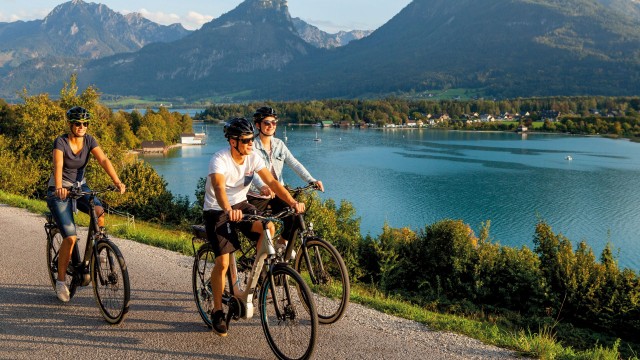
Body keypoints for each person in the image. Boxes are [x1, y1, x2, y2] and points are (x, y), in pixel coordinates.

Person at [203, 117, 305, 336]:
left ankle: (254, 277)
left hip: (241, 204)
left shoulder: (252, 156)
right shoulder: (219, 160)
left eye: (251, 139)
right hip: (217, 210)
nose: (251, 143)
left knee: (269, 227)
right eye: (247, 140)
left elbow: (273, 183)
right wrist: (228, 209)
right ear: (233, 142)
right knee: (222, 263)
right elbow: (219, 188)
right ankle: (218, 310)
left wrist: (292, 202)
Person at [46, 106, 126, 302]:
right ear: (70, 124)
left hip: (80, 187)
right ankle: (61, 281)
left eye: (85, 123)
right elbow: (58, 165)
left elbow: (104, 159)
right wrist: (59, 187)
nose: (82, 127)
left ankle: (100, 248)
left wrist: (117, 181)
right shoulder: (61, 142)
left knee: (99, 211)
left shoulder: (89, 140)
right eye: (78, 123)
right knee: (70, 237)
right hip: (60, 191)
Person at [248, 106, 324, 252]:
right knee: (263, 229)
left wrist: (311, 180)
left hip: (278, 191)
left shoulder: (279, 145)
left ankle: (282, 244)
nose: (271, 126)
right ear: (258, 125)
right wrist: (262, 187)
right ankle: (261, 266)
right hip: (257, 195)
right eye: (267, 123)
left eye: (274, 123)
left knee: (295, 214)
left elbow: (294, 163)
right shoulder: (252, 146)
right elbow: (250, 172)